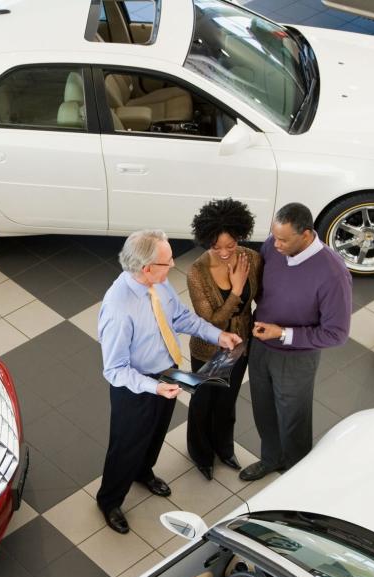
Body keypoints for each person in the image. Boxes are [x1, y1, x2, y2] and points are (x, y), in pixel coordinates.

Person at [98, 229, 241, 534]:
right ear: (146, 268)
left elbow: (180, 319)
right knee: (127, 444)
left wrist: (218, 335)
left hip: (166, 374)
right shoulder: (118, 308)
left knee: (155, 433)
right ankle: (109, 500)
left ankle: (143, 471)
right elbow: (114, 369)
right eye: (167, 261)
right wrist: (154, 387)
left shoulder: (159, 286)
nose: (174, 264)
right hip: (136, 387)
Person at [240, 202, 352, 482]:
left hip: (297, 357)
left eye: (283, 239)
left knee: (293, 419)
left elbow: (336, 333)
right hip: (261, 347)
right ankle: (271, 459)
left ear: (306, 235)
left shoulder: (333, 275)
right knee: (263, 409)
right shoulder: (273, 247)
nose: (274, 244)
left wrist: (282, 333)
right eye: (274, 236)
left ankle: (297, 476)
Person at [185, 199, 262, 481]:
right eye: (217, 246)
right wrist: (236, 290)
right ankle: (201, 453)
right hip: (209, 348)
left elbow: (262, 297)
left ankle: (224, 448)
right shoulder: (197, 272)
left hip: (240, 344)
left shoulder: (251, 259)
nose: (225, 252)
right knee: (203, 402)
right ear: (207, 242)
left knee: (227, 400)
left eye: (231, 245)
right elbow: (212, 321)